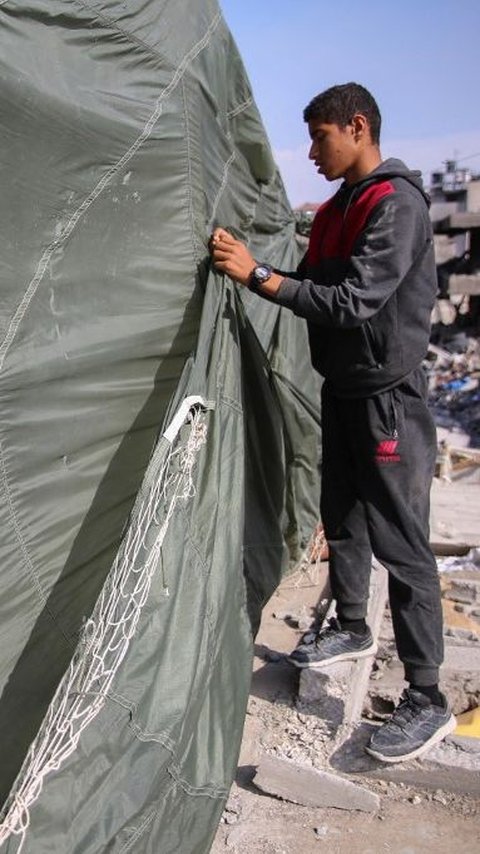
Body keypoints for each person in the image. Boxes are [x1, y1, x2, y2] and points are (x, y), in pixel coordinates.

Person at [210, 82, 456, 764]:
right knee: (341, 513)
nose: (312, 150)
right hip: (347, 390)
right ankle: (352, 624)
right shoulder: (336, 210)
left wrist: (258, 276)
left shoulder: (394, 205)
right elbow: (315, 281)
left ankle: (427, 698)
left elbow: (352, 301)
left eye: (320, 136)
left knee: (404, 547)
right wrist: (260, 270)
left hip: (389, 399)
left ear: (357, 127)